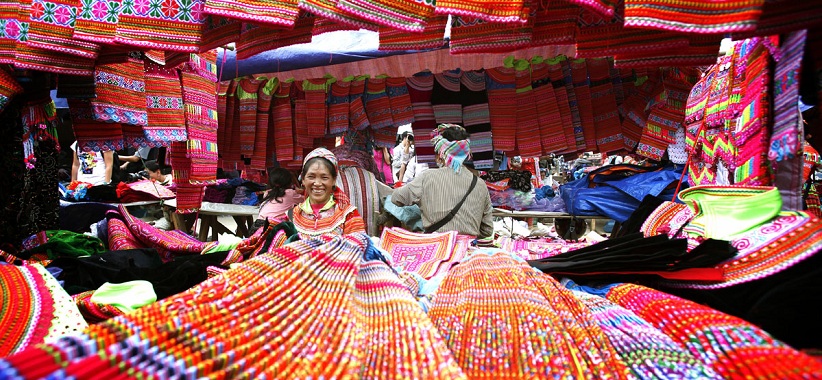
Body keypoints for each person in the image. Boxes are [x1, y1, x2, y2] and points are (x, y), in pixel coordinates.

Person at [391, 124, 493, 238]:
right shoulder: (480, 184)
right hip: (467, 250)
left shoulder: (427, 177)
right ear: (465, 154)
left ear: (441, 155)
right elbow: (487, 230)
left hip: (436, 249)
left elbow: (396, 198)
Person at [289, 147, 366, 239]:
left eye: (324, 177)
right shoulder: (292, 216)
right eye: (311, 176)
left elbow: (358, 248)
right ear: (303, 179)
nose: (317, 183)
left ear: (333, 180)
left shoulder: (348, 215)